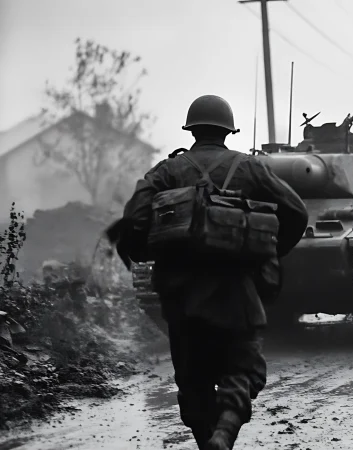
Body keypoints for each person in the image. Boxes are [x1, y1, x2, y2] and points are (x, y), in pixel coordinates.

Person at [106, 94, 309, 450]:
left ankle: (210, 442)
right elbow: (296, 212)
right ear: (228, 131)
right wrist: (266, 252)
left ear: (192, 129)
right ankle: (224, 434)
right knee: (243, 370)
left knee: (192, 380)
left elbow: (135, 218)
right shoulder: (249, 168)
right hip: (239, 288)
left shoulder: (167, 171)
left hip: (180, 292)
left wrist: (149, 250)